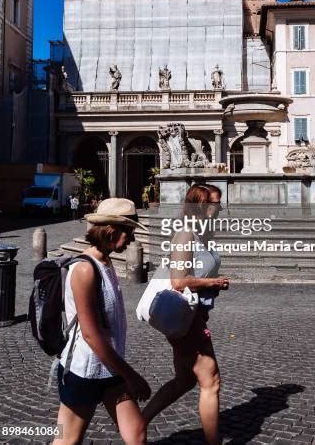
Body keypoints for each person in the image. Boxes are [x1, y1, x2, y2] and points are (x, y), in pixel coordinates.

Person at [54, 198, 151, 445]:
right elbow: (90, 334)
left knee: (137, 433)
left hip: (110, 367)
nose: (131, 239)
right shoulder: (85, 270)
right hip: (84, 371)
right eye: (128, 232)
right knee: (68, 440)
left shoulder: (106, 262)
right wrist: (131, 375)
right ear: (111, 232)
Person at [142, 184, 229, 445]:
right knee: (211, 381)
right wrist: (213, 283)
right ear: (200, 205)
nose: (219, 208)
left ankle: (138, 421)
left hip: (196, 314)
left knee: (184, 381)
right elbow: (178, 281)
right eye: (215, 203)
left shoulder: (203, 234)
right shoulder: (185, 235)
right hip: (186, 316)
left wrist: (211, 283)